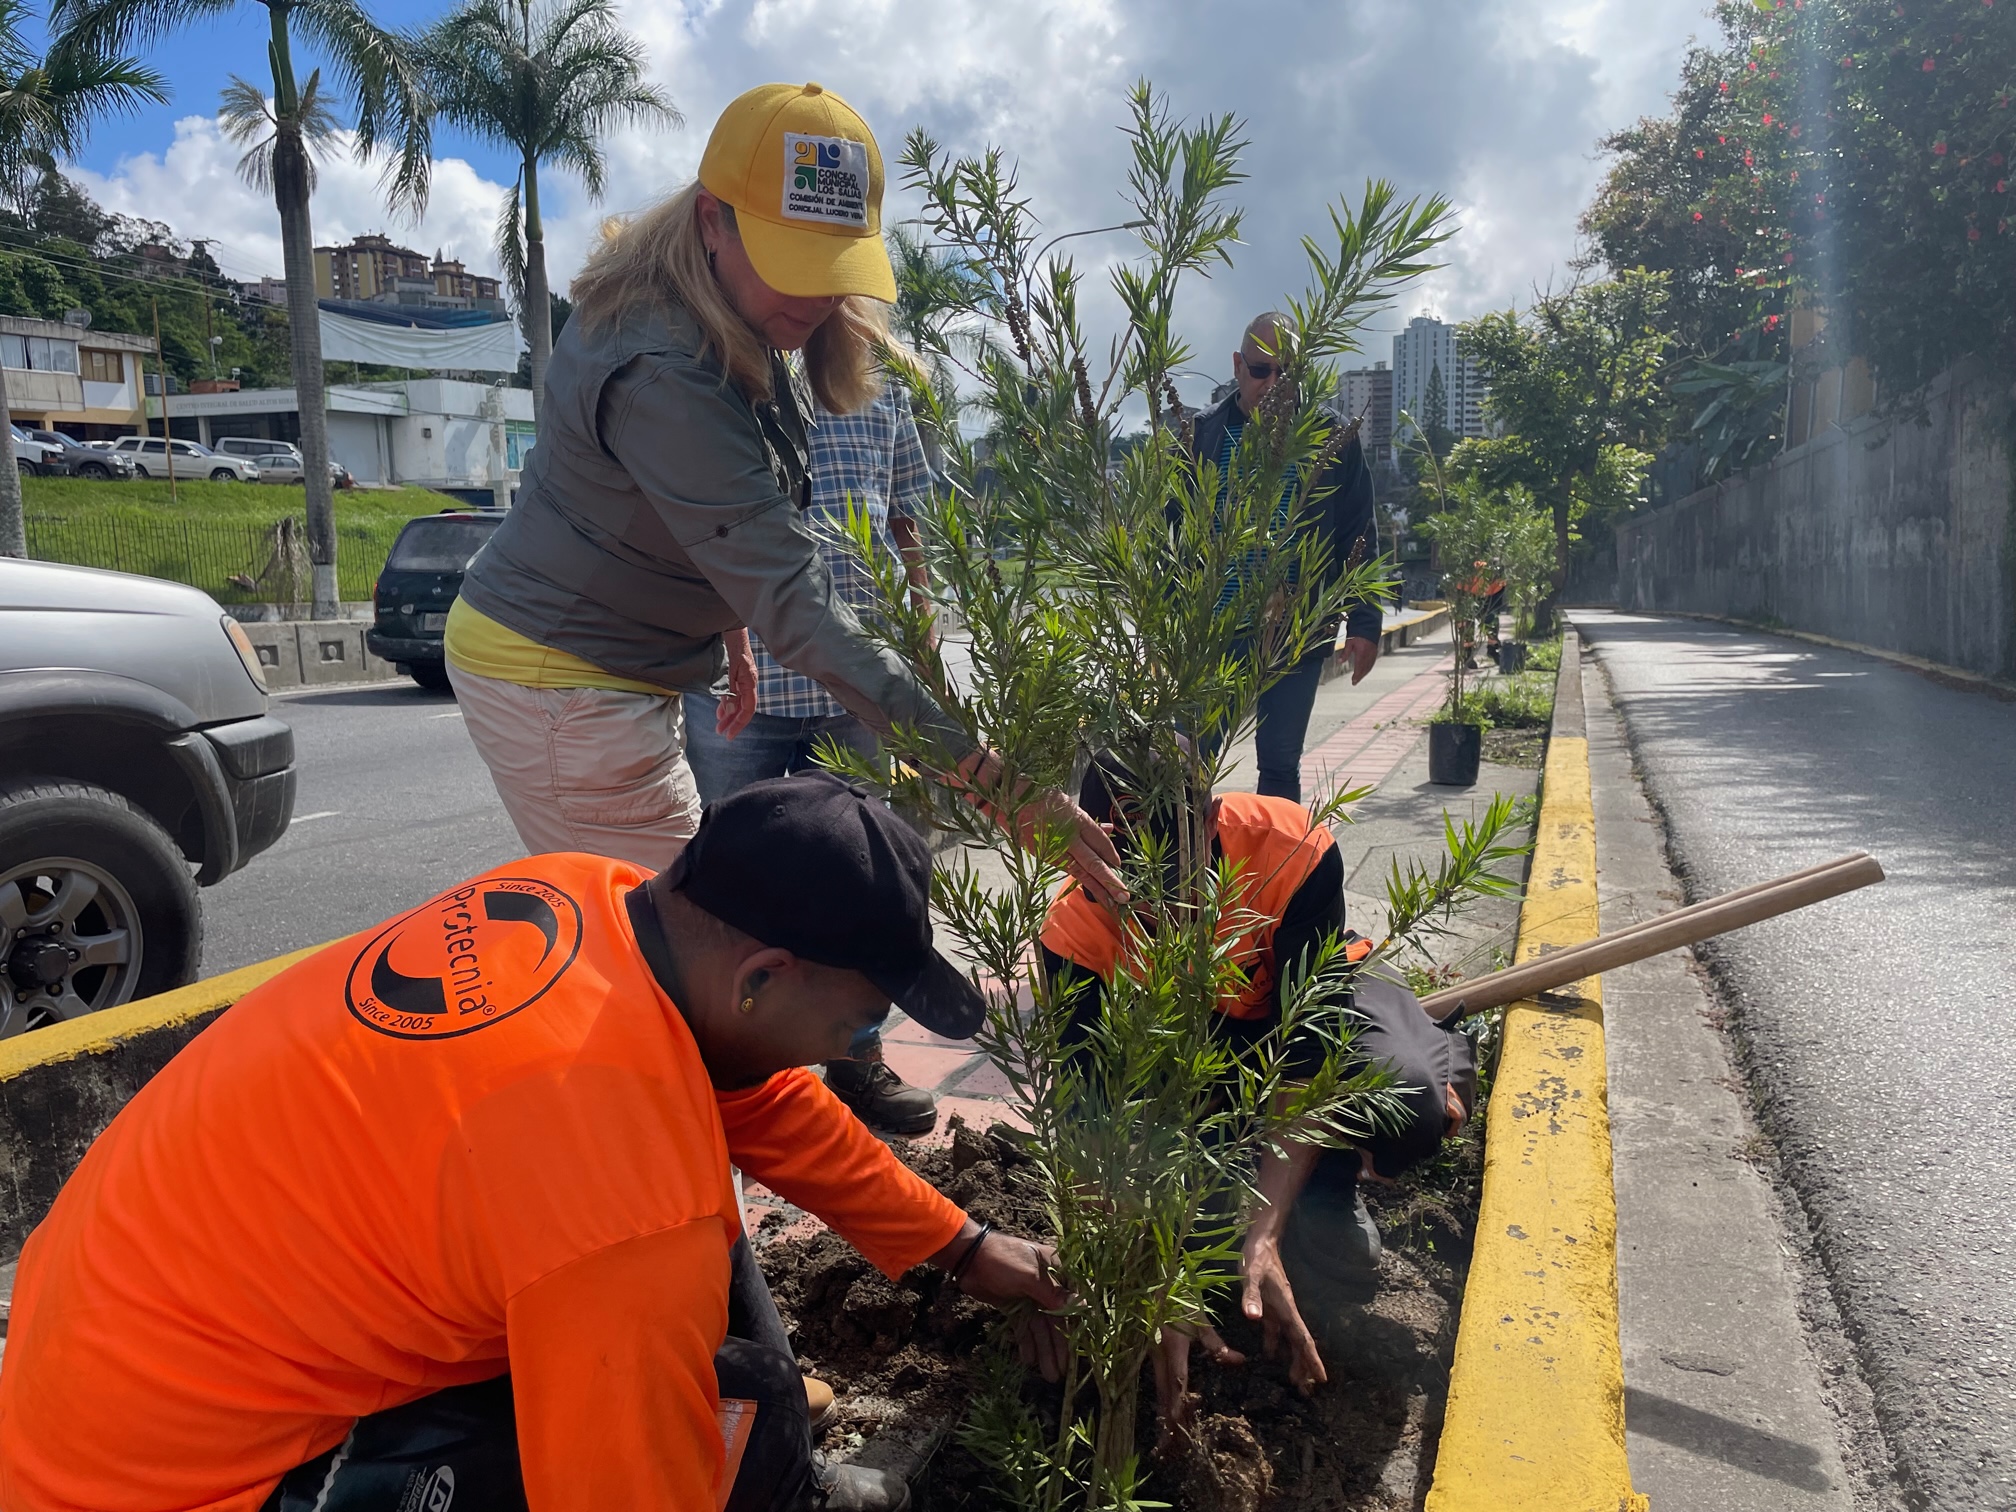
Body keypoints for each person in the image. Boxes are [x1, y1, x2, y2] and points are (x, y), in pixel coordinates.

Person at [0, 773, 1065, 1512]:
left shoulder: (582, 899)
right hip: (179, 1485)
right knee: (682, 1303)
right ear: (761, 977)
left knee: (710, 1301)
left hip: (108, 1352)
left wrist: (967, 1251)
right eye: (859, 1025)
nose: (860, 1048)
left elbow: (761, 1100)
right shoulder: (612, 1195)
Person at [442, 80, 1118, 899]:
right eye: (789, 263)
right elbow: (794, 603)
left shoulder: (720, 313)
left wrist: (728, 632)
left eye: (831, 267)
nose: (816, 294)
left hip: (596, 669)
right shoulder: (665, 366)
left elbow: (695, 516)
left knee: (686, 948)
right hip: (561, 685)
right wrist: (994, 781)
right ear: (710, 222)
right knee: (681, 964)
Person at [1038, 755, 1474, 1420]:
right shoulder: (1072, 929)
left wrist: (1264, 1232)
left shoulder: (1288, 850)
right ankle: (1245, 1199)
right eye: (1131, 895)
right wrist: (1162, 1276)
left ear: (1209, 822)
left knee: (1410, 1104)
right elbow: (1097, 1122)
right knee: (1215, 1242)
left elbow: (1306, 1052)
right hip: (1195, 1053)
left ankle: (1325, 1176)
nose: (1158, 919)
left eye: (1174, 891)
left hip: (1303, 1009)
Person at [685, 381, 942, 1136]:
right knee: (724, 883)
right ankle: (727, 1069)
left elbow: (907, 519)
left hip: (857, 681)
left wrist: (921, 629)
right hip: (747, 678)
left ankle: (858, 1060)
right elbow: (708, 520)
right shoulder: (734, 372)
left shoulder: (883, 392)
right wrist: (731, 643)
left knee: (868, 883)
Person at [1177, 313, 1385, 803]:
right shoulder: (1202, 435)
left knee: (1279, 764)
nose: (1272, 384)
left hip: (1294, 632)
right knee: (1189, 762)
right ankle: (1187, 874)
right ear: (1237, 366)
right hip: (1212, 632)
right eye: (1260, 370)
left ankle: (1279, 877)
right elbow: (1171, 531)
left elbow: (1358, 531)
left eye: (1285, 372)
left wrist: (1365, 624)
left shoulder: (1334, 439)